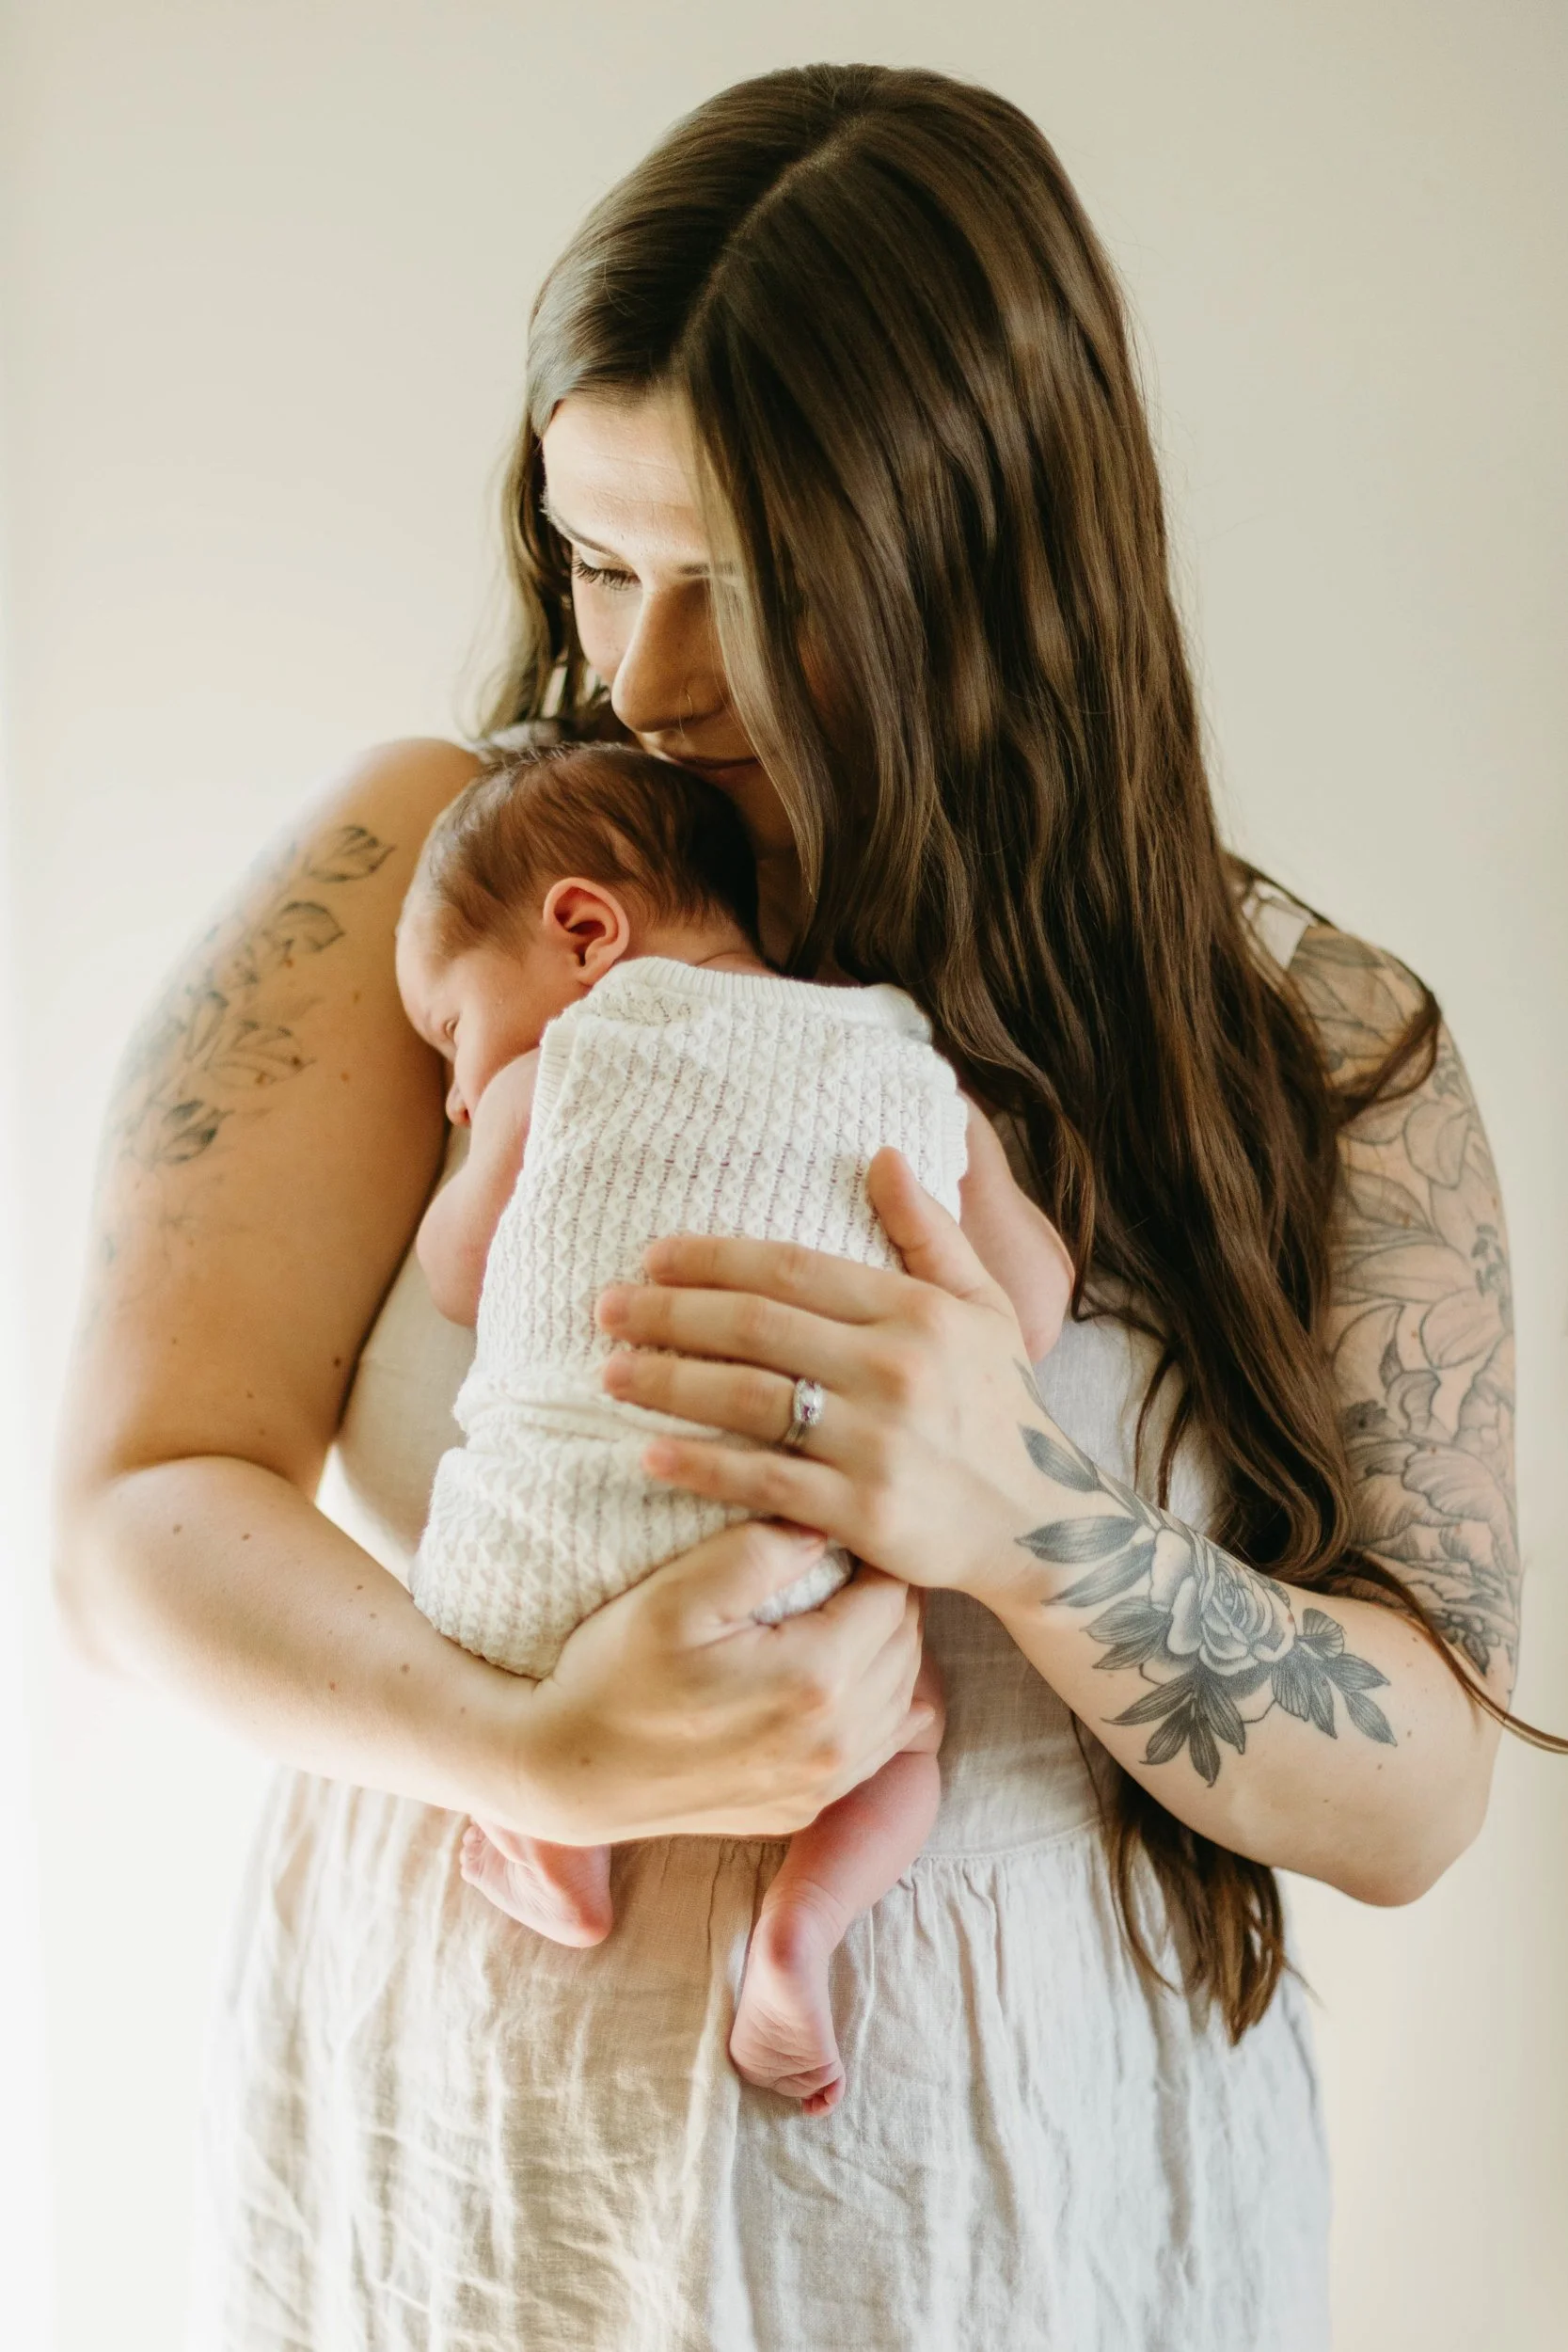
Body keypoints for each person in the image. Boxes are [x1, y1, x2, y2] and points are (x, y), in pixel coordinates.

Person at [53, 61, 1528, 2352]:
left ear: (988, 569)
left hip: (1027, 2213)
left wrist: (1023, 1509)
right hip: (480, 2158)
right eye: (596, 556)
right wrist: (521, 1748)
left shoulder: (1310, 1055)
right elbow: (137, 1515)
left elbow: (1417, 1793)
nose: (638, 674)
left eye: (741, 586)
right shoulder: (457, 886)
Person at [395, 740, 1069, 2115]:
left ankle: (552, 1843)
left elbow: (460, 1280)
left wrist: (491, 1145)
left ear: (583, 929)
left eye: (452, 1036)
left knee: (479, 1637)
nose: (459, 1087)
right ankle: (800, 1932)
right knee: (910, 1736)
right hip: (803, 1573)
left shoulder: (556, 1065)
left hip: (537, 1568)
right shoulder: (908, 1065)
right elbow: (1029, 1311)